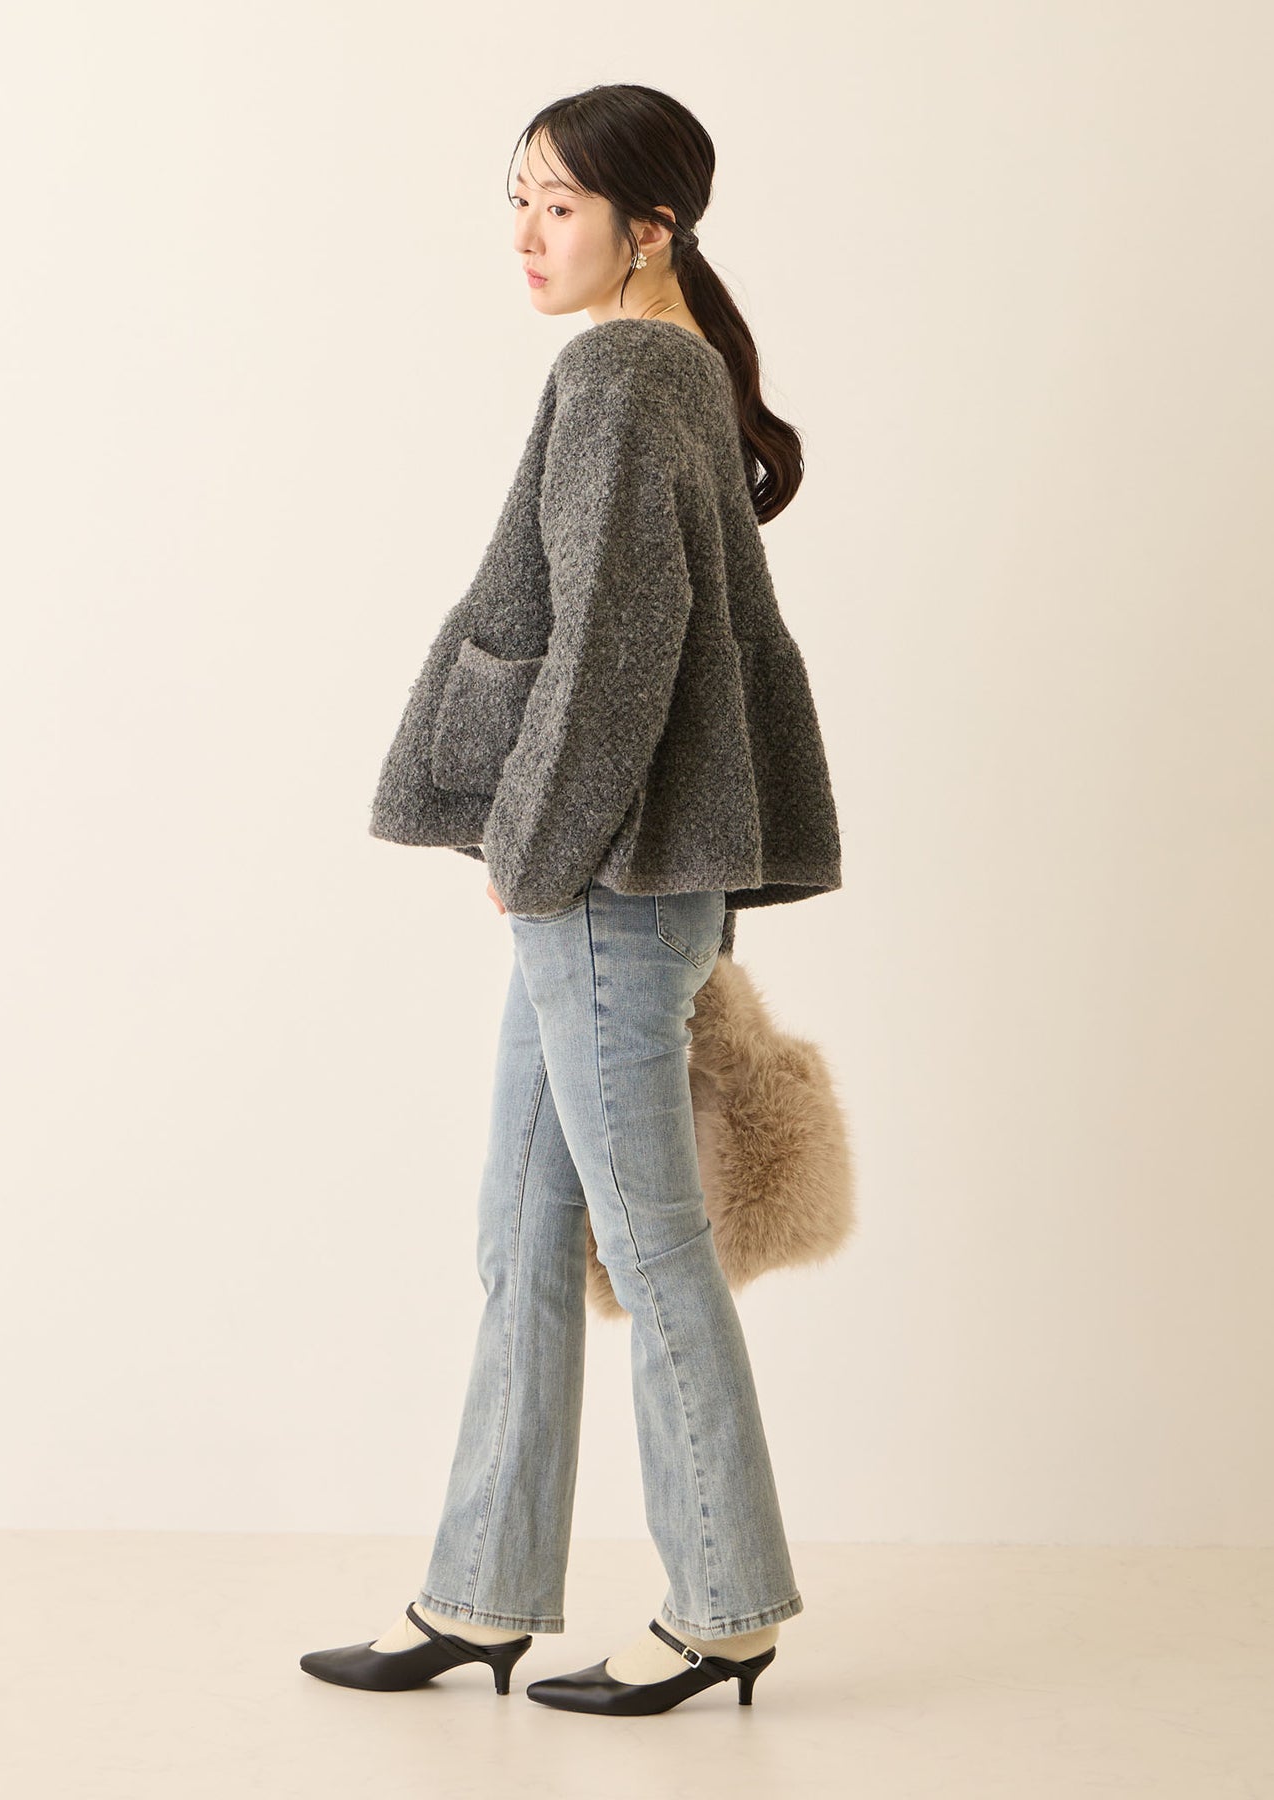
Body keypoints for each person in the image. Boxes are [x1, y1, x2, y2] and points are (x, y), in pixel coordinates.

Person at [301, 82, 842, 1718]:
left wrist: (532, 852)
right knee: (522, 1239)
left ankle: (723, 1608)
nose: (528, 236)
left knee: (650, 1248)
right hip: (630, 878)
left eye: (559, 205)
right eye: (518, 202)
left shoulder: (618, 376)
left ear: (648, 227)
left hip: (602, 882)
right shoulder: (672, 369)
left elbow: (617, 643)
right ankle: (477, 1593)